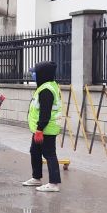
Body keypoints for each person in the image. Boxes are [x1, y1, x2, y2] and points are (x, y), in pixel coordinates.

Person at [22, 61, 63, 192]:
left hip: (46, 129)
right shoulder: (46, 86)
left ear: (42, 74)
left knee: (49, 154)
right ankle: (36, 177)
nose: (33, 74)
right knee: (35, 151)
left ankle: (54, 183)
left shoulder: (47, 90)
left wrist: (40, 129)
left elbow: (45, 112)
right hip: (40, 129)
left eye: (35, 72)